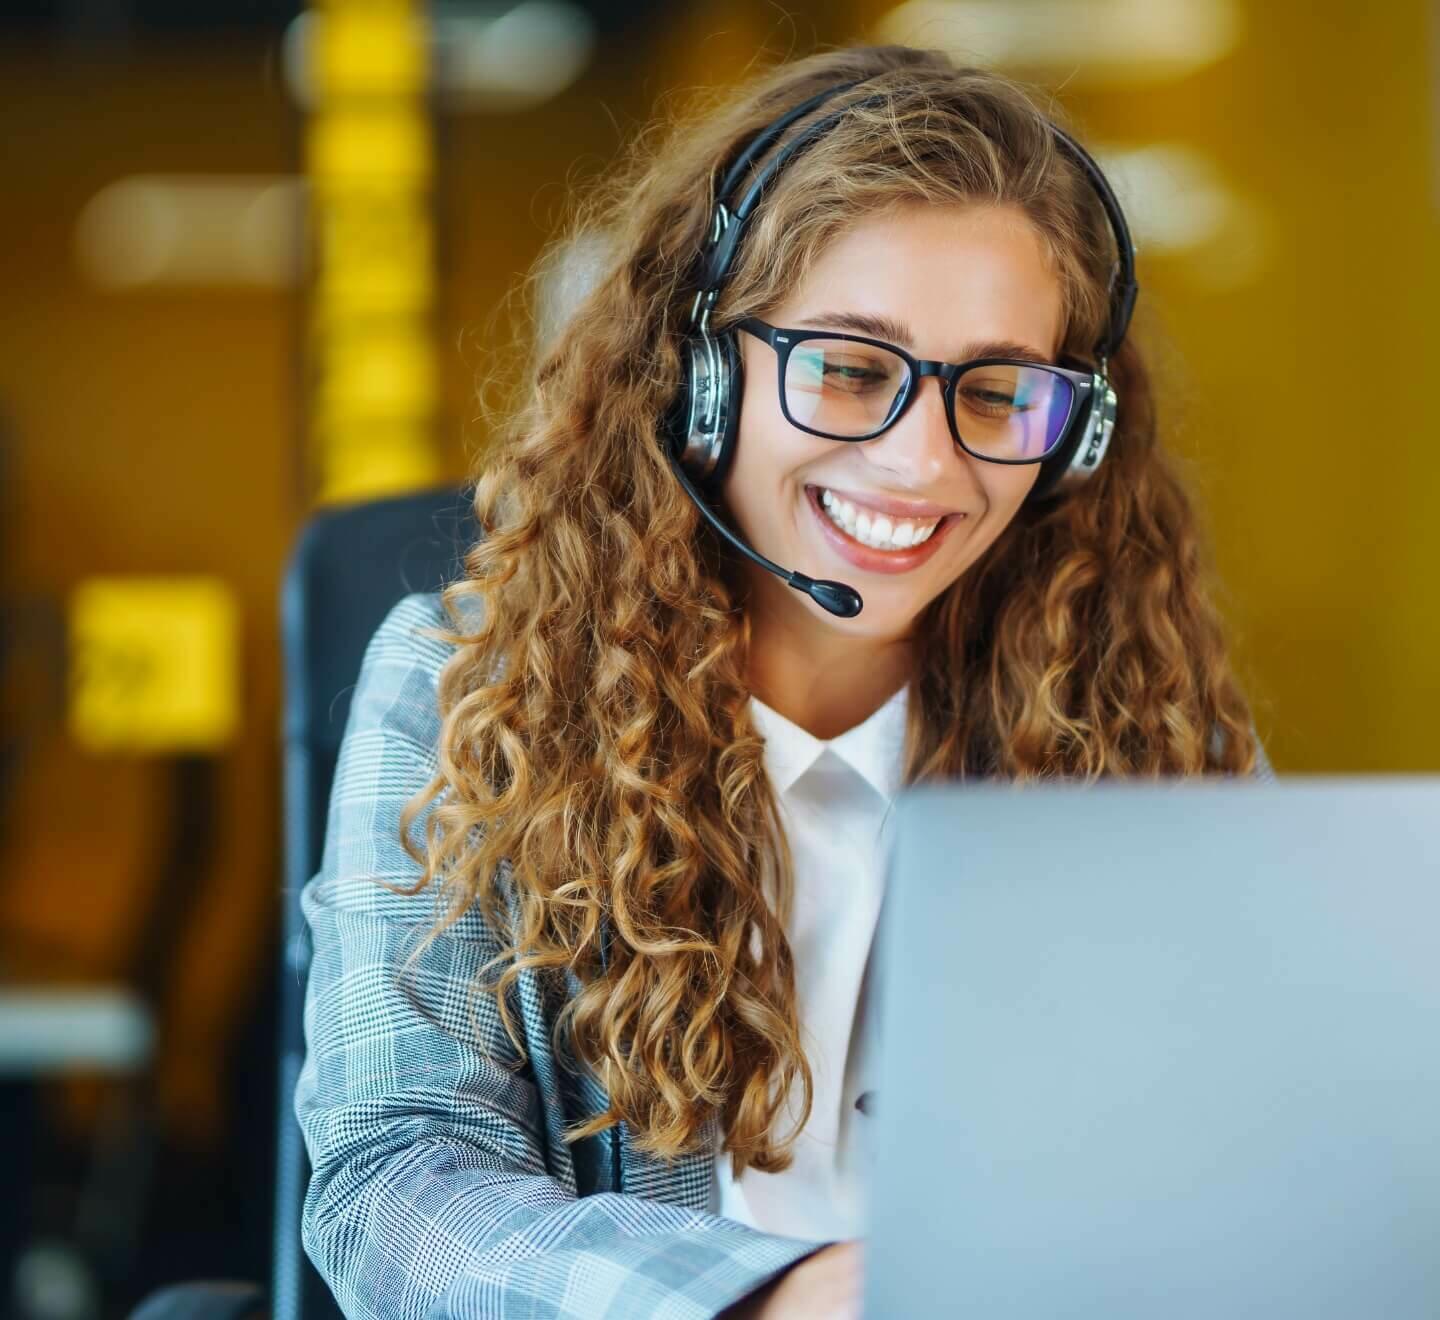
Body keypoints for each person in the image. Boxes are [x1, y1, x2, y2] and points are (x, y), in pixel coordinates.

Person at [294, 44, 1270, 1320]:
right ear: (701, 377)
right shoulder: (463, 684)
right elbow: (394, 1186)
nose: (922, 465)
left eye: (997, 392)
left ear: (1072, 436)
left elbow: (1250, 1158)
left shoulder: (1143, 713)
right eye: (851, 370)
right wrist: (784, 1298)